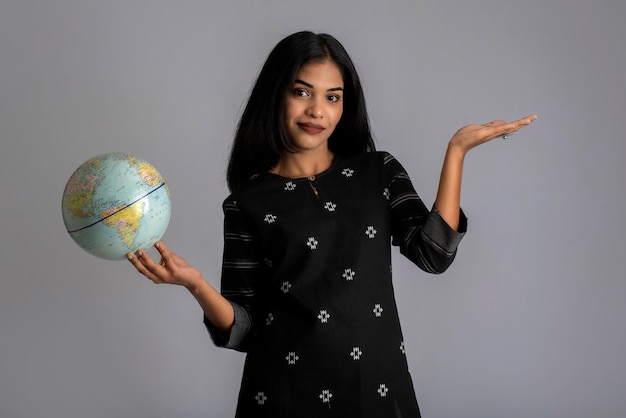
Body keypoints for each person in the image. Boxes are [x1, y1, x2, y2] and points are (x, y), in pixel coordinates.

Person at [128, 31, 537, 417]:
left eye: (332, 96)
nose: (316, 110)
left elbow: (434, 253)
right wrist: (196, 285)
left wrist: (457, 152)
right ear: (277, 96)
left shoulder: (379, 172)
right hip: (282, 394)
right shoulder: (246, 202)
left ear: (346, 105)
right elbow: (245, 331)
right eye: (301, 91)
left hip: (376, 385)